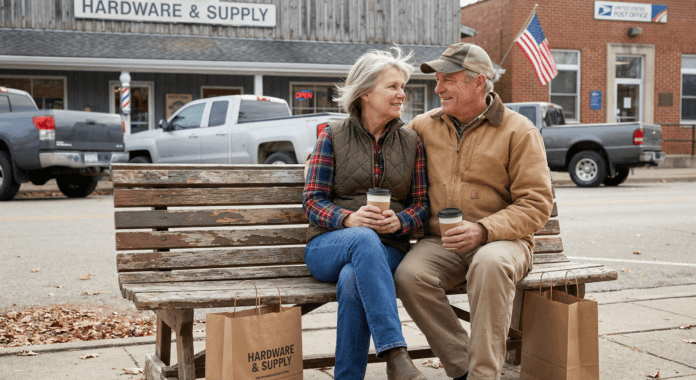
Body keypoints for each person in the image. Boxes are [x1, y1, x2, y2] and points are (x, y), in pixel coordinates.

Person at [394, 43, 554, 380]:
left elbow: (537, 203)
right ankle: (464, 368)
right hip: (442, 242)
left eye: (447, 80)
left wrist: (483, 229)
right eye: (437, 80)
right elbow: (382, 150)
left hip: (505, 242)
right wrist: (328, 152)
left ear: (478, 82)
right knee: (410, 276)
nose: (438, 88)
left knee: (489, 263)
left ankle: (484, 376)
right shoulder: (424, 126)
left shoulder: (519, 131)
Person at [303, 46, 430, 380]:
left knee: (351, 280)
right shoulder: (332, 136)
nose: (402, 94)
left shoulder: (411, 142)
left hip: (388, 249)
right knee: (361, 238)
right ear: (364, 92)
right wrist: (348, 218)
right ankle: (394, 353)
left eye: (403, 86)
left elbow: (422, 205)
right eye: (393, 86)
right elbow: (312, 201)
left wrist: (401, 220)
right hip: (328, 245)